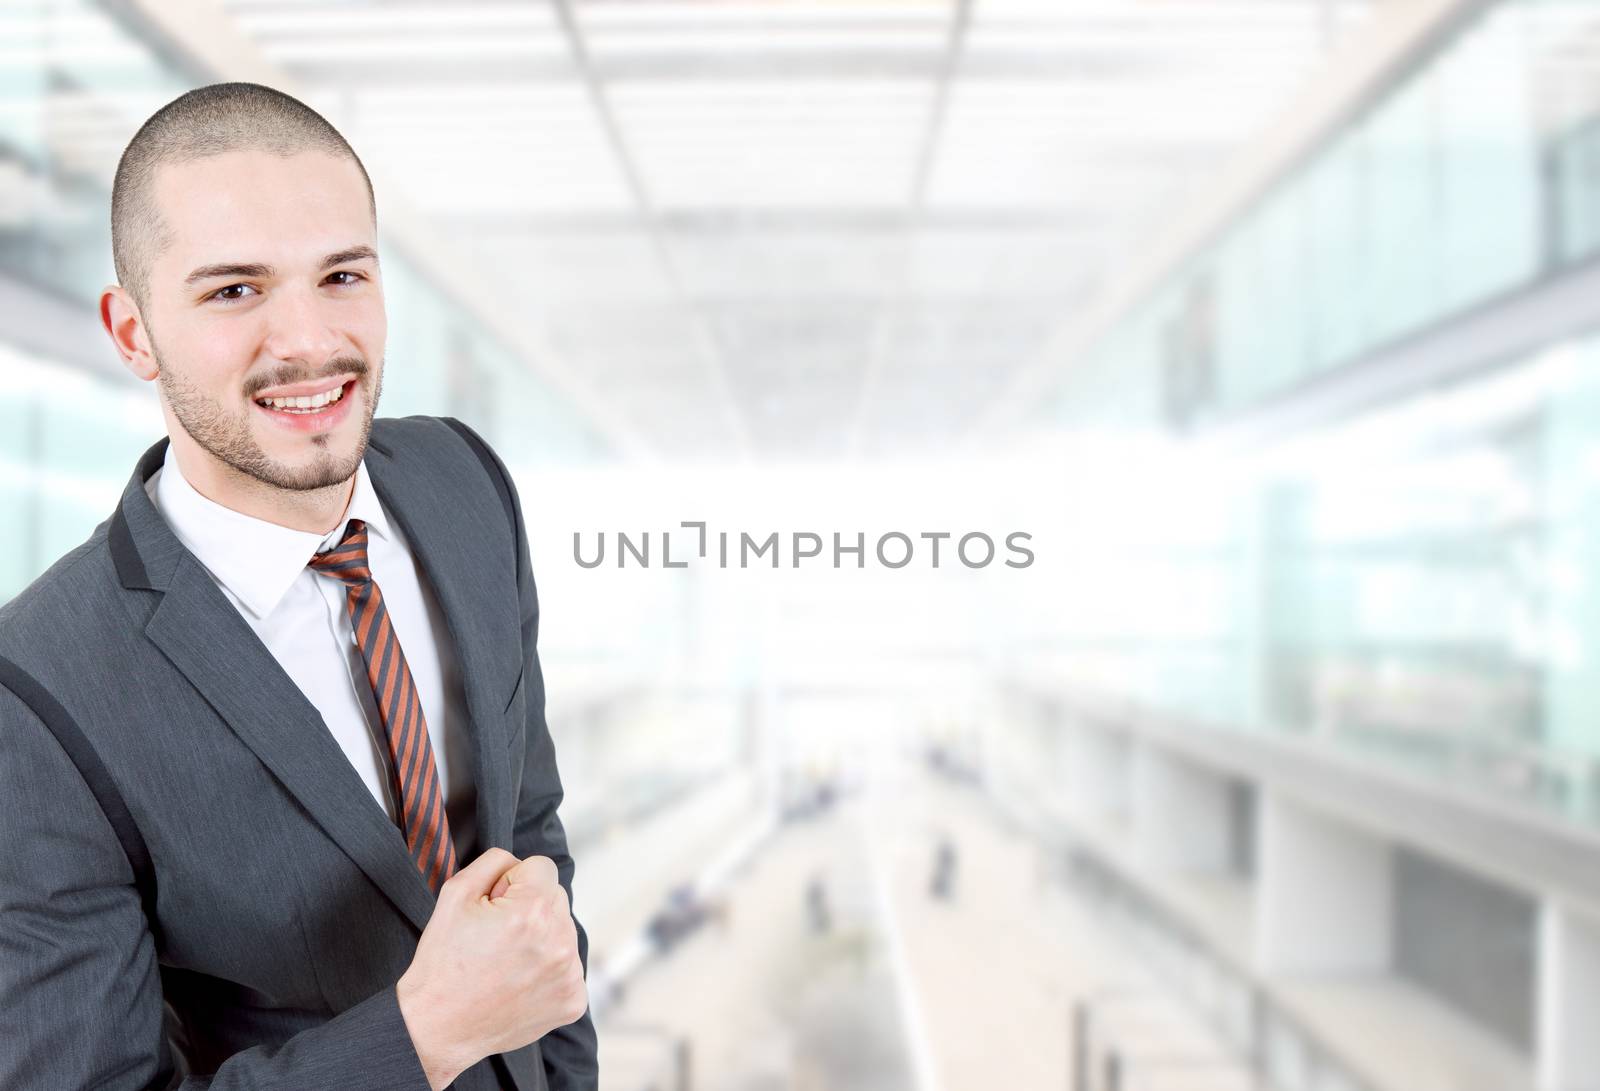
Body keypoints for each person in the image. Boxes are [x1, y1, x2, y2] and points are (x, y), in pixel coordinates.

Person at [0, 82, 597, 1090]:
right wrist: (426, 1030)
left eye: (341, 275)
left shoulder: (463, 483)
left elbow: (531, 837)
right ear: (132, 332)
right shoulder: (38, 689)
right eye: (235, 289)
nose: (311, 341)